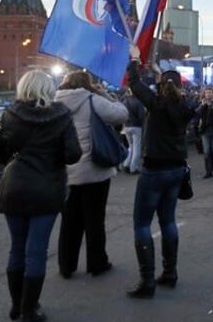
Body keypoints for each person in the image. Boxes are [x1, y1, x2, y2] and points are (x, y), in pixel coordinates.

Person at [0, 71, 82, 322]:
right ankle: (29, 309)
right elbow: (73, 154)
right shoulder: (61, 116)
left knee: (16, 249)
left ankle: (16, 306)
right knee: (36, 251)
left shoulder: (10, 115)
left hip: (15, 188)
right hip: (47, 188)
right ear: (48, 89)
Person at [126, 49, 194, 298]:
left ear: (162, 86)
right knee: (168, 221)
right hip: (176, 170)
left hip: (154, 171)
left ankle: (147, 281)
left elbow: (134, 83)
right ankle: (170, 273)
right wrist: (157, 71)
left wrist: (134, 60)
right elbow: (167, 88)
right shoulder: (186, 106)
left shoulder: (156, 105)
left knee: (142, 224)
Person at [54, 71, 129, 280]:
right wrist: (107, 95)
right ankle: (97, 263)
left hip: (67, 171)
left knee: (69, 221)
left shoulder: (55, 103)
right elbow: (121, 114)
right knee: (95, 219)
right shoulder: (93, 100)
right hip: (94, 170)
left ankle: (66, 265)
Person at [122, 88, 146, 174]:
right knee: (136, 148)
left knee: (131, 147)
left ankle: (126, 164)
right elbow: (141, 116)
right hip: (136, 126)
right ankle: (133, 168)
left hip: (126, 126)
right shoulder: (138, 102)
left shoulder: (125, 101)